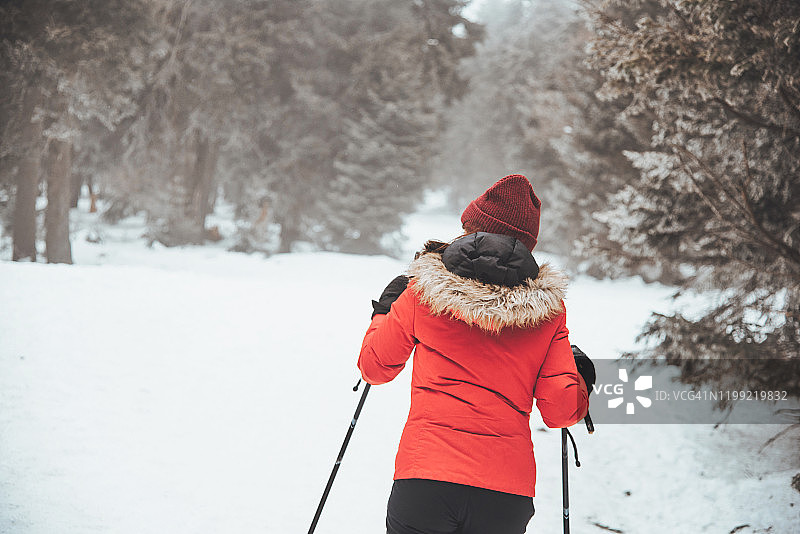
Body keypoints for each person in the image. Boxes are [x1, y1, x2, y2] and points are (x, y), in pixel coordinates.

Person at [358, 174, 594, 534]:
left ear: (470, 229)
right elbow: (561, 411)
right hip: (504, 495)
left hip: (424, 480)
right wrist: (577, 376)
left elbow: (375, 368)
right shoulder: (548, 311)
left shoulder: (423, 292)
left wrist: (383, 313)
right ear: (527, 243)